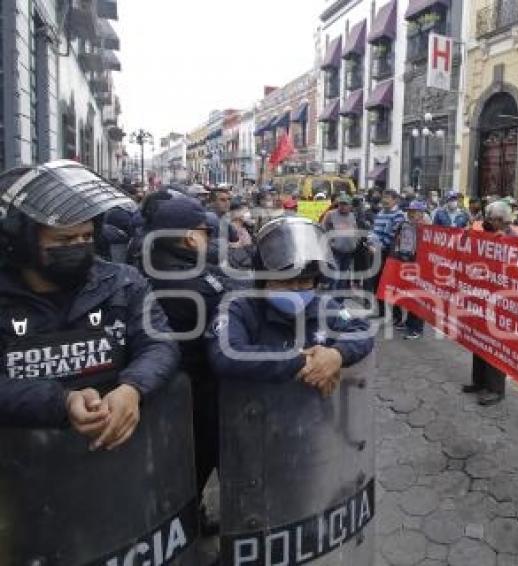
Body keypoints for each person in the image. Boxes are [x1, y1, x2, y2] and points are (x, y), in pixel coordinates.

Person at [0, 161, 179, 446]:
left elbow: (160, 343)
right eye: (65, 239)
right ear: (23, 243)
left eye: (86, 236)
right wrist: (61, 402)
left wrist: (133, 388)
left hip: (117, 467)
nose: (79, 246)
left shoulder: (124, 282)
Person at [144, 197, 240, 511]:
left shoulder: (156, 259)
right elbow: (227, 293)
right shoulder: (186, 281)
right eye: (204, 232)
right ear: (189, 236)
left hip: (181, 387)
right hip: (197, 389)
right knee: (203, 458)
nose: (208, 238)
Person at [207, 217, 374, 391]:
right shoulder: (238, 308)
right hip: (255, 411)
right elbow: (226, 354)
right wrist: (302, 362)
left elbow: (362, 329)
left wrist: (337, 354)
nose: (295, 290)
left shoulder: (324, 305)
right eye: (285, 282)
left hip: (314, 414)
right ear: (265, 281)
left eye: (304, 282)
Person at [465, 201, 515, 406]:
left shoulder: (512, 238)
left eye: (491, 218)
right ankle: (479, 382)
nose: (487, 221)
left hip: (502, 298)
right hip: (483, 294)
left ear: (501, 220)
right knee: (478, 339)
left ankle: (495, 389)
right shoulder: (486, 233)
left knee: (495, 344)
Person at [369, 189, 407, 323]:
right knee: (377, 282)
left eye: (388, 198)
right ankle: (382, 311)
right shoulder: (381, 212)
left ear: (395, 200)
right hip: (377, 251)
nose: (384, 200)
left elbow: (393, 236)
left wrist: (378, 246)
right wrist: (370, 242)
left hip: (390, 254)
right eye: (384, 197)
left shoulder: (399, 215)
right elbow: (375, 232)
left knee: (392, 284)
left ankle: (397, 316)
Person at [401, 201, 431, 340]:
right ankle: (409, 323)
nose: (410, 213)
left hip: (421, 265)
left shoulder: (428, 227)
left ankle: (417, 328)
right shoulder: (407, 224)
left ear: (421, 213)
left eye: (413, 211)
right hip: (408, 261)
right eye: (409, 211)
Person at [322, 194, 360, 291]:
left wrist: (356, 242)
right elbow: (322, 229)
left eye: (345, 204)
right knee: (335, 276)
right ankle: (332, 300)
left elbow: (355, 229)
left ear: (350, 206)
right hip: (335, 252)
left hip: (348, 252)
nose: (342, 206)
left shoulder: (352, 215)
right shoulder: (330, 214)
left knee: (343, 277)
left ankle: (339, 301)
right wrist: (329, 243)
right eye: (340, 204)